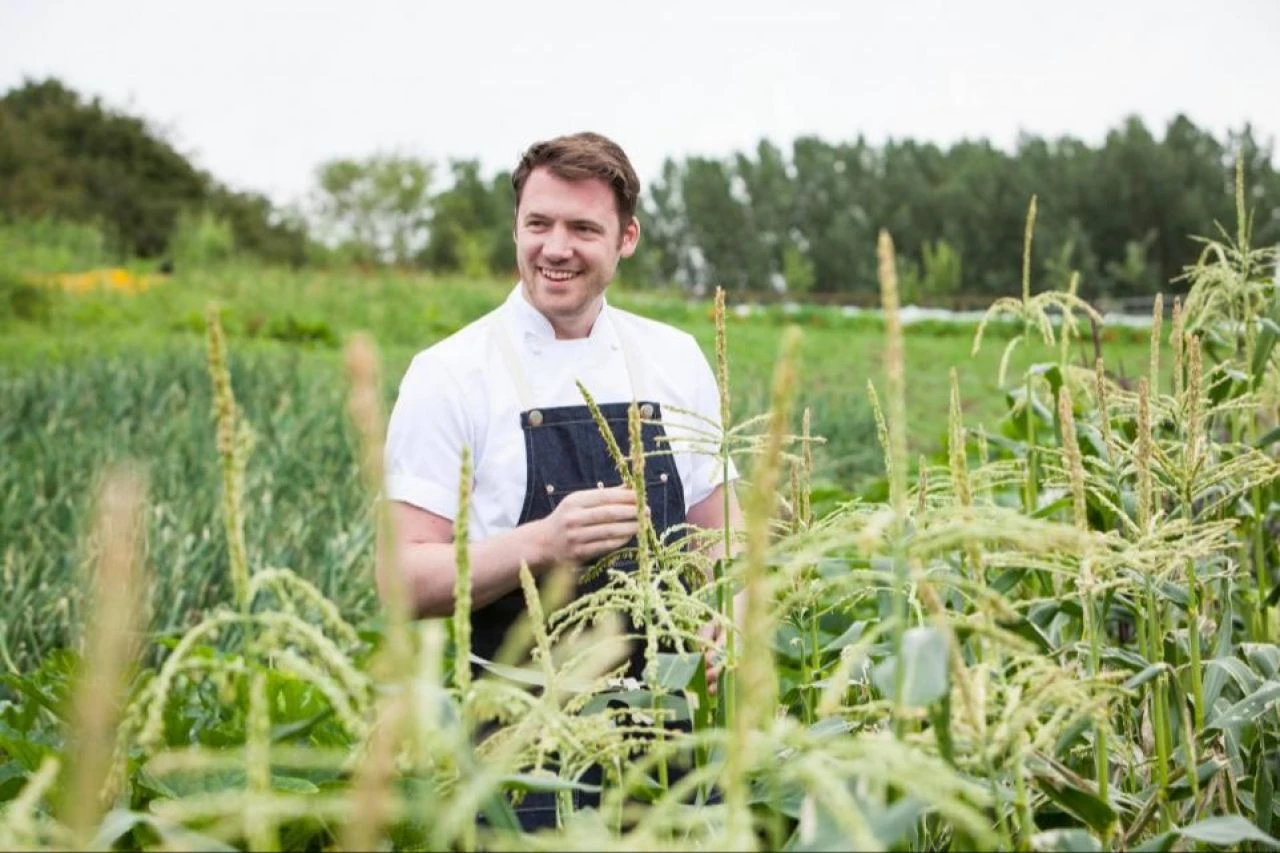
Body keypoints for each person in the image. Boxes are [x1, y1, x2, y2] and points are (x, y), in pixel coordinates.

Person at [381, 131, 742, 827]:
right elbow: (403, 579)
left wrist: (729, 610)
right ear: (515, 228)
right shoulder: (451, 374)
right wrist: (542, 542)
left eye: (583, 227)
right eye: (538, 223)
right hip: (523, 746)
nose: (555, 247)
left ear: (626, 237)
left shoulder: (674, 357)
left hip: (671, 735)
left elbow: (719, 533)